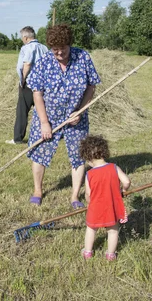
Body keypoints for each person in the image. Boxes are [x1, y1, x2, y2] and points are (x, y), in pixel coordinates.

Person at [25, 24, 100, 208]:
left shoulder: (82, 57)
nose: (59, 53)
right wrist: (44, 122)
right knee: (39, 152)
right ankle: (38, 190)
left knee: (78, 155)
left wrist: (80, 111)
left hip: (76, 117)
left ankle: (75, 195)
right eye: (55, 49)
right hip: (47, 116)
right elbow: (37, 93)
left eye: (63, 48)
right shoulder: (44, 62)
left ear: (69, 44)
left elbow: (91, 86)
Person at [79, 135, 131, 261]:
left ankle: (87, 252)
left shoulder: (89, 174)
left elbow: (88, 194)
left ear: (89, 158)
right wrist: (123, 191)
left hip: (95, 207)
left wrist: (89, 203)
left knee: (91, 229)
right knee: (113, 230)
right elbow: (127, 181)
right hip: (111, 207)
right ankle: (111, 254)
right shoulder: (114, 167)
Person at [6, 26, 48, 145]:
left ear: (25, 37)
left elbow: (27, 64)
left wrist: (23, 80)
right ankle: (44, 134)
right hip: (43, 84)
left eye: (22, 37)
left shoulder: (27, 48)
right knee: (42, 110)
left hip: (29, 84)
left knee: (22, 111)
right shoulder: (44, 47)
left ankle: (18, 138)